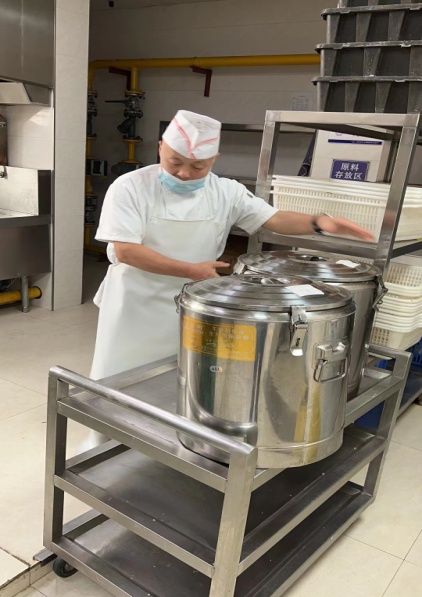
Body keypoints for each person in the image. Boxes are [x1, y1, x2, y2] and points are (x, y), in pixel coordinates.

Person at [90, 110, 373, 381]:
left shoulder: (226, 191)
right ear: (161, 148)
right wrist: (191, 270)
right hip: (135, 302)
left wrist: (318, 222)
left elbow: (273, 218)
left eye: (198, 166)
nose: (184, 173)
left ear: (214, 159)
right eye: (175, 162)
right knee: (120, 375)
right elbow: (126, 251)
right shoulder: (130, 187)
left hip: (196, 301)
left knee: (183, 375)